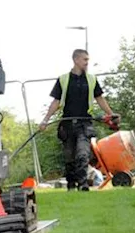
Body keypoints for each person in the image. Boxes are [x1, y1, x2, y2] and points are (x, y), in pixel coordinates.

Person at [38, 49, 116, 191]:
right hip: (67, 124)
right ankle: (71, 184)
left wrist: (111, 114)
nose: (87, 63)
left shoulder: (91, 79)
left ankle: (83, 184)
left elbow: (100, 98)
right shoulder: (63, 79)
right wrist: (45, 120)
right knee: (70, 158)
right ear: (76, 60)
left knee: (83, 154)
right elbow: (56, 102)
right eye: (85, 60)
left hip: (84, 123)